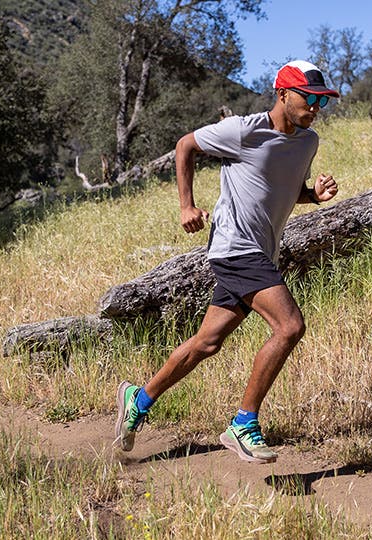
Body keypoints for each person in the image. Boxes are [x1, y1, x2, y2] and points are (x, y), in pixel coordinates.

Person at [114, 60, 341, 464]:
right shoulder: (242, 130)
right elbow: (186, 145)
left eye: (322, 101)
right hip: (235, 247)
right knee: (289, 326)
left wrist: (314, 196)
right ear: (284, 94)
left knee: (207, 343)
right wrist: (186, 205)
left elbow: (282, 190)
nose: (316, 108)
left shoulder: (308, 142)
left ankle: (139, 399)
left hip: (259, 251)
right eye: (310, 98)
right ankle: (243, 423)